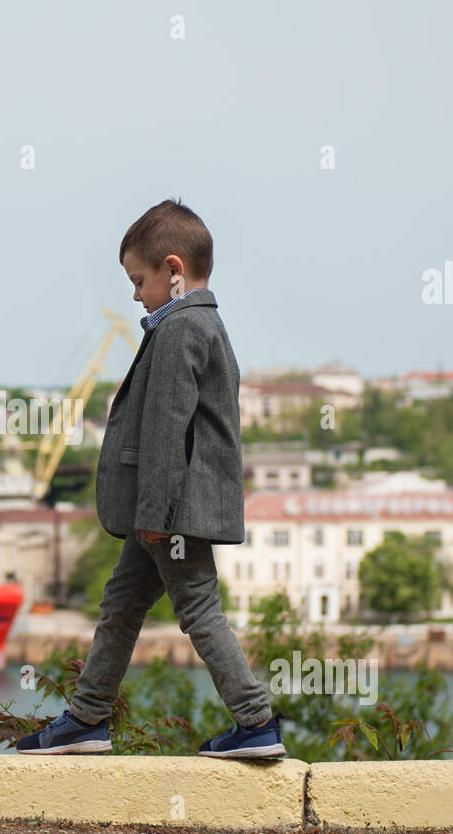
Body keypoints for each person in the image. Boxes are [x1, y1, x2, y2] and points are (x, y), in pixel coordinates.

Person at [16, 199, 285, 758]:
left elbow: (167, 430)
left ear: (173, 269)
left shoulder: (181, 329)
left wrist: (158, 518)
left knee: (199, 610)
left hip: (169, 512)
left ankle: (256, 722)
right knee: (121, 604)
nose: (135, 294)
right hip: (162, 510)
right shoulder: (202, 323)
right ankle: (87, 718)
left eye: (138, 280)